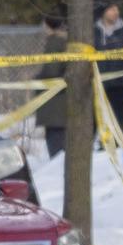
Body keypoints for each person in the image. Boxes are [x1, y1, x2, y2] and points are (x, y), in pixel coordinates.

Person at [95, 0, 123, 132]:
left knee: (118, 119)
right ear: (103, 12)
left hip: (119, 84)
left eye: (117, 9)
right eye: (112, 9)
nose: (116, 12)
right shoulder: (93, 32)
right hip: (98, 84)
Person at [38, 13, 70, 157]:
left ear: (47, 24)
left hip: (55, 102)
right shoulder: (67, 41)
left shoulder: (54, 42)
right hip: (64, 100)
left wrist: (36, 80)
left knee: (56, 144)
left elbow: (51, 70)